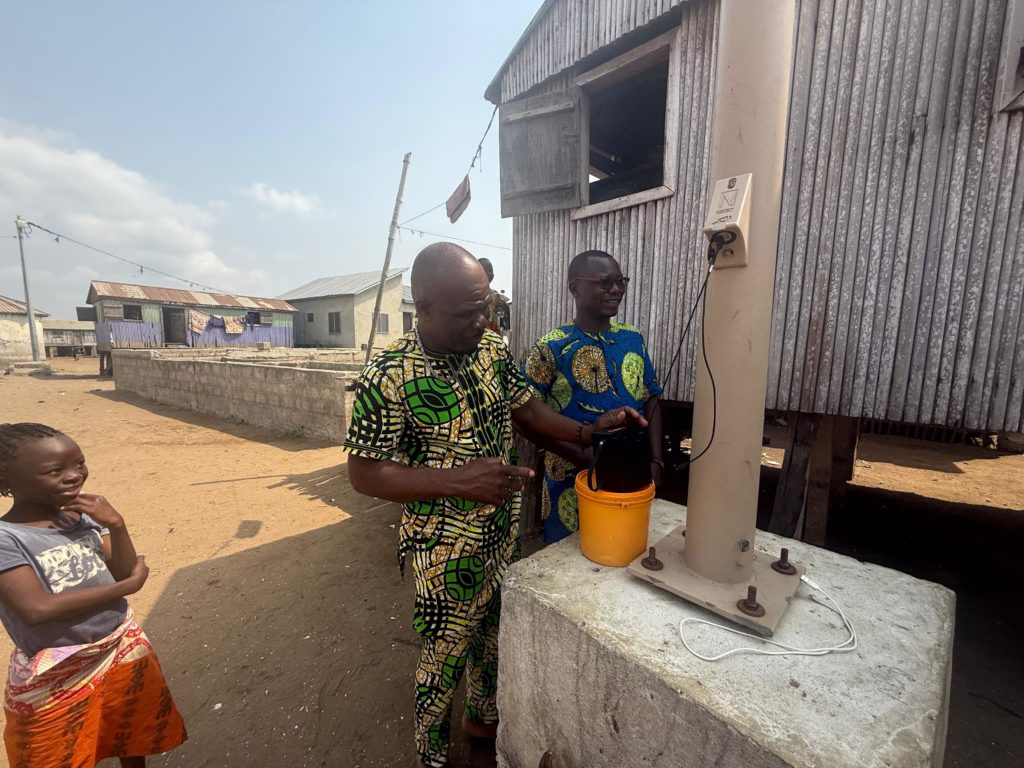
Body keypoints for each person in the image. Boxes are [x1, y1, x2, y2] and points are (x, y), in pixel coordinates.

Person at [344, 243, 645, 768]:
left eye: (488, 309)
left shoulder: (488, 349)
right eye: (469, 313)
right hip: (444, 551)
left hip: (500, 533)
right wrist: (456, 480)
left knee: (491, 639)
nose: (484, 322)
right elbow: (364, 473)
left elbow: (526, 409)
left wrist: (587, 430)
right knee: (443, 658)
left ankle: (482, 725)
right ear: (426, 307)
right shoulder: (388, 376)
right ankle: (431, 754)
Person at [0, 423, 186, 768]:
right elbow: (36, 610)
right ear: (7, 483)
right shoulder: (7, 539)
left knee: (130, 730)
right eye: (55, 471)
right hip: (57, 668)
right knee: (52, 753)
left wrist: (116, 524)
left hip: (117, 647)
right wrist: (124, 590)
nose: (74, 476)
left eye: (79, 464)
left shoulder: (79, 519)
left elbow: (123, 568)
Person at [524, 250, 664, 543]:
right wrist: (582, 455)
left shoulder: (632, 338)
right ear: (575, 288)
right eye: (604, 282)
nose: (616, 289)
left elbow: (651, 397)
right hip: (570, 478)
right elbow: (525, 416)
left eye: (620, 281)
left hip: (629, 472)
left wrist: (655, 460)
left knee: (622, 549)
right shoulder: (550, 347)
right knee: (570, 561)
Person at [477, 257, 510, 335]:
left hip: (494, 340)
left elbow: (505, 326)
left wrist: (505, 312)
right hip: (477, 339)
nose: (489, 274)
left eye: (490, 271)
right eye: (485, 271)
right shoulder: (469, 296)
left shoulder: (496, 296)